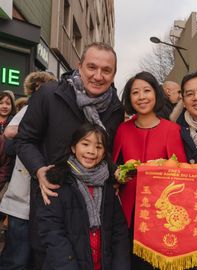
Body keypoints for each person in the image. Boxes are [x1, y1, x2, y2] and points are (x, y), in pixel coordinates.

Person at [15, 42, 124, 268]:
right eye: (91, 67)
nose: (98, 76)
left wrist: (115, 175)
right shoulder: (50, 94)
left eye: (106, 70)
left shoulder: (115, 108)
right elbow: (24, 139)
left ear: (114, 74)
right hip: (54, 205)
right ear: (79, 66)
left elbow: (108, 151)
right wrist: (39, 170)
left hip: (97, 209)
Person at [113, 71, 186, 270]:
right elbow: (113, 167)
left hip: (160, 212)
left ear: (156, 94)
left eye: (147, 90)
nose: (142, 97)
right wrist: (119, 176)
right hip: (127, 211)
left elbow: (182, 172)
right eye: (135, 93)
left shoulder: (172, 129)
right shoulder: (123, 129)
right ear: (129, 98)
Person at [36, 123, 130, 270]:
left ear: (105, 153)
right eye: (85, 144)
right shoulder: (57, 182)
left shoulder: (109, 185)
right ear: (73, 147)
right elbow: (52, 232)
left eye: (98, 147)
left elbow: (119, 232)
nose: (92, 151)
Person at [0, 71, 57, 270]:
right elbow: (9, 133)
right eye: (40, 89)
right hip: (21, 201)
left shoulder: (55, 111)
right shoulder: (29, 109)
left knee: (33, 258)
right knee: (17, 258)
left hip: (43, 200)